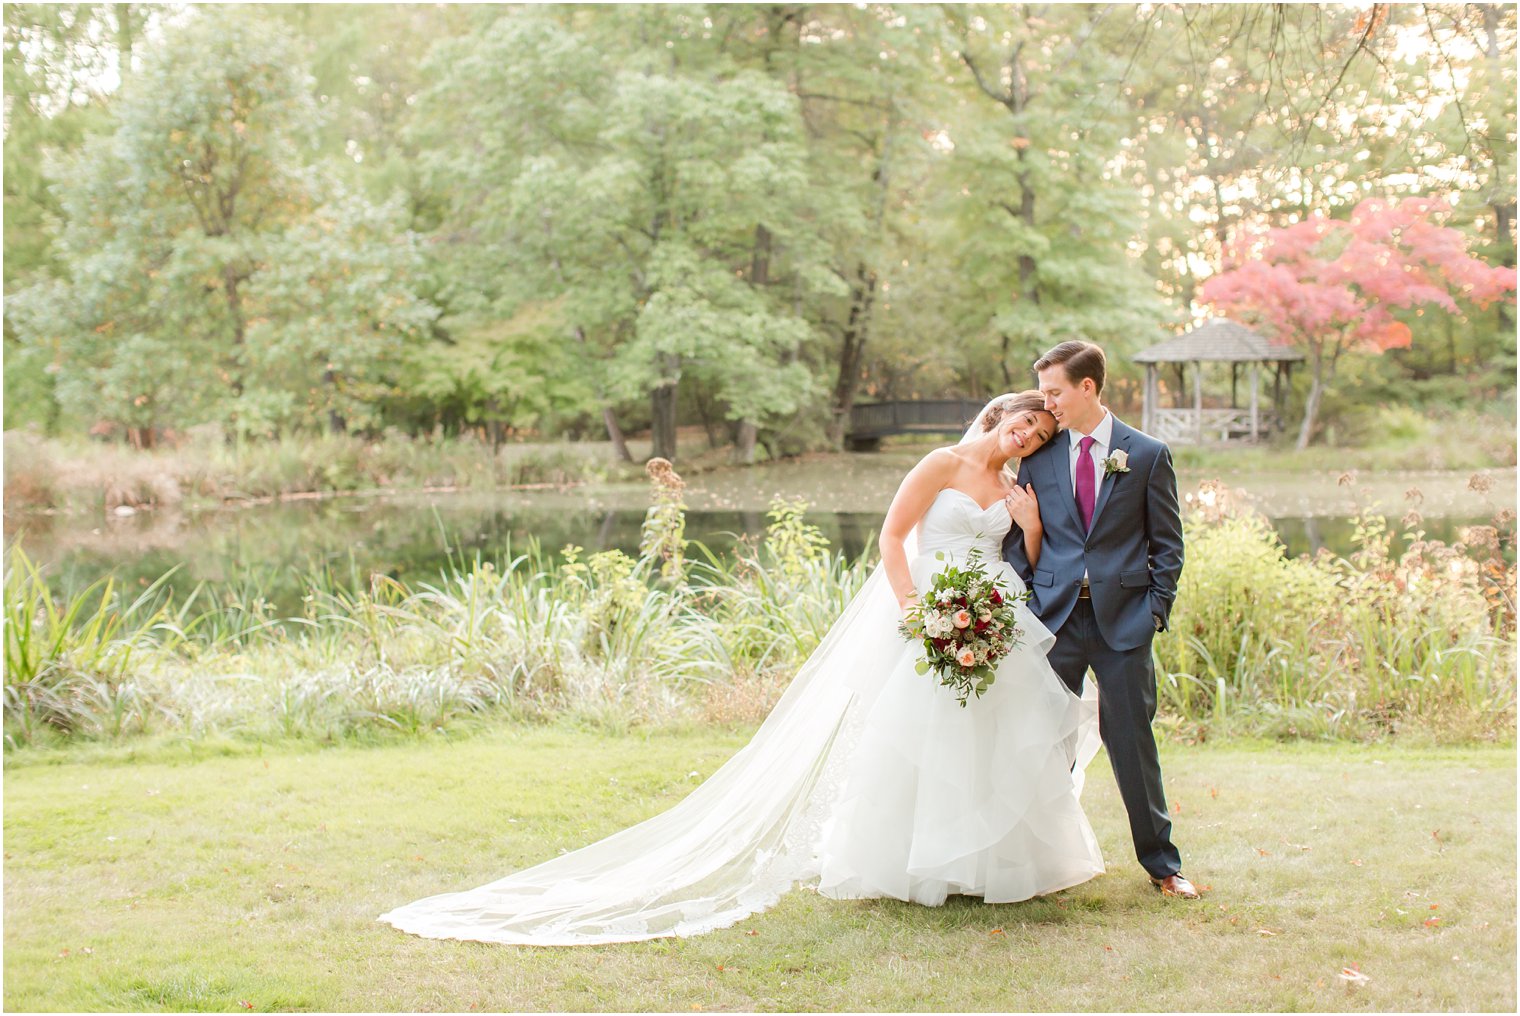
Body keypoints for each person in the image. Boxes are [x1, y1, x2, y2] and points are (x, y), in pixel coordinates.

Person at [380, 391, 1103, 946]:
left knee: (996, 730)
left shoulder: (1016, 488)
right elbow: (891, 537)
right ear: (999, 413)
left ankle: (994, 865)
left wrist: (1033, 528)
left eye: (1038, 437)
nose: (1027, 438)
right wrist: (917, 611)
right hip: (928, 611)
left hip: (993, 613)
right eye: (1023, 426)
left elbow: (1028, 561)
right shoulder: (939, 465)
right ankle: (929, 866)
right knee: (924, 735)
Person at [1003, 340, 1198, 900]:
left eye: (1055, 391)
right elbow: (1020, 542)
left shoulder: (1147, 454)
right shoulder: (1036, 457)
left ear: (1087, 387)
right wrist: (1030, 603)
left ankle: (1163, 866)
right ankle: (1039, 863)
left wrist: (1154, 610)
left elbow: (1169, 545)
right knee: (1046, 743)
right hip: (1055, 621)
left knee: (1132, 741)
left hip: (1124, 623)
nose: (1048, 404)